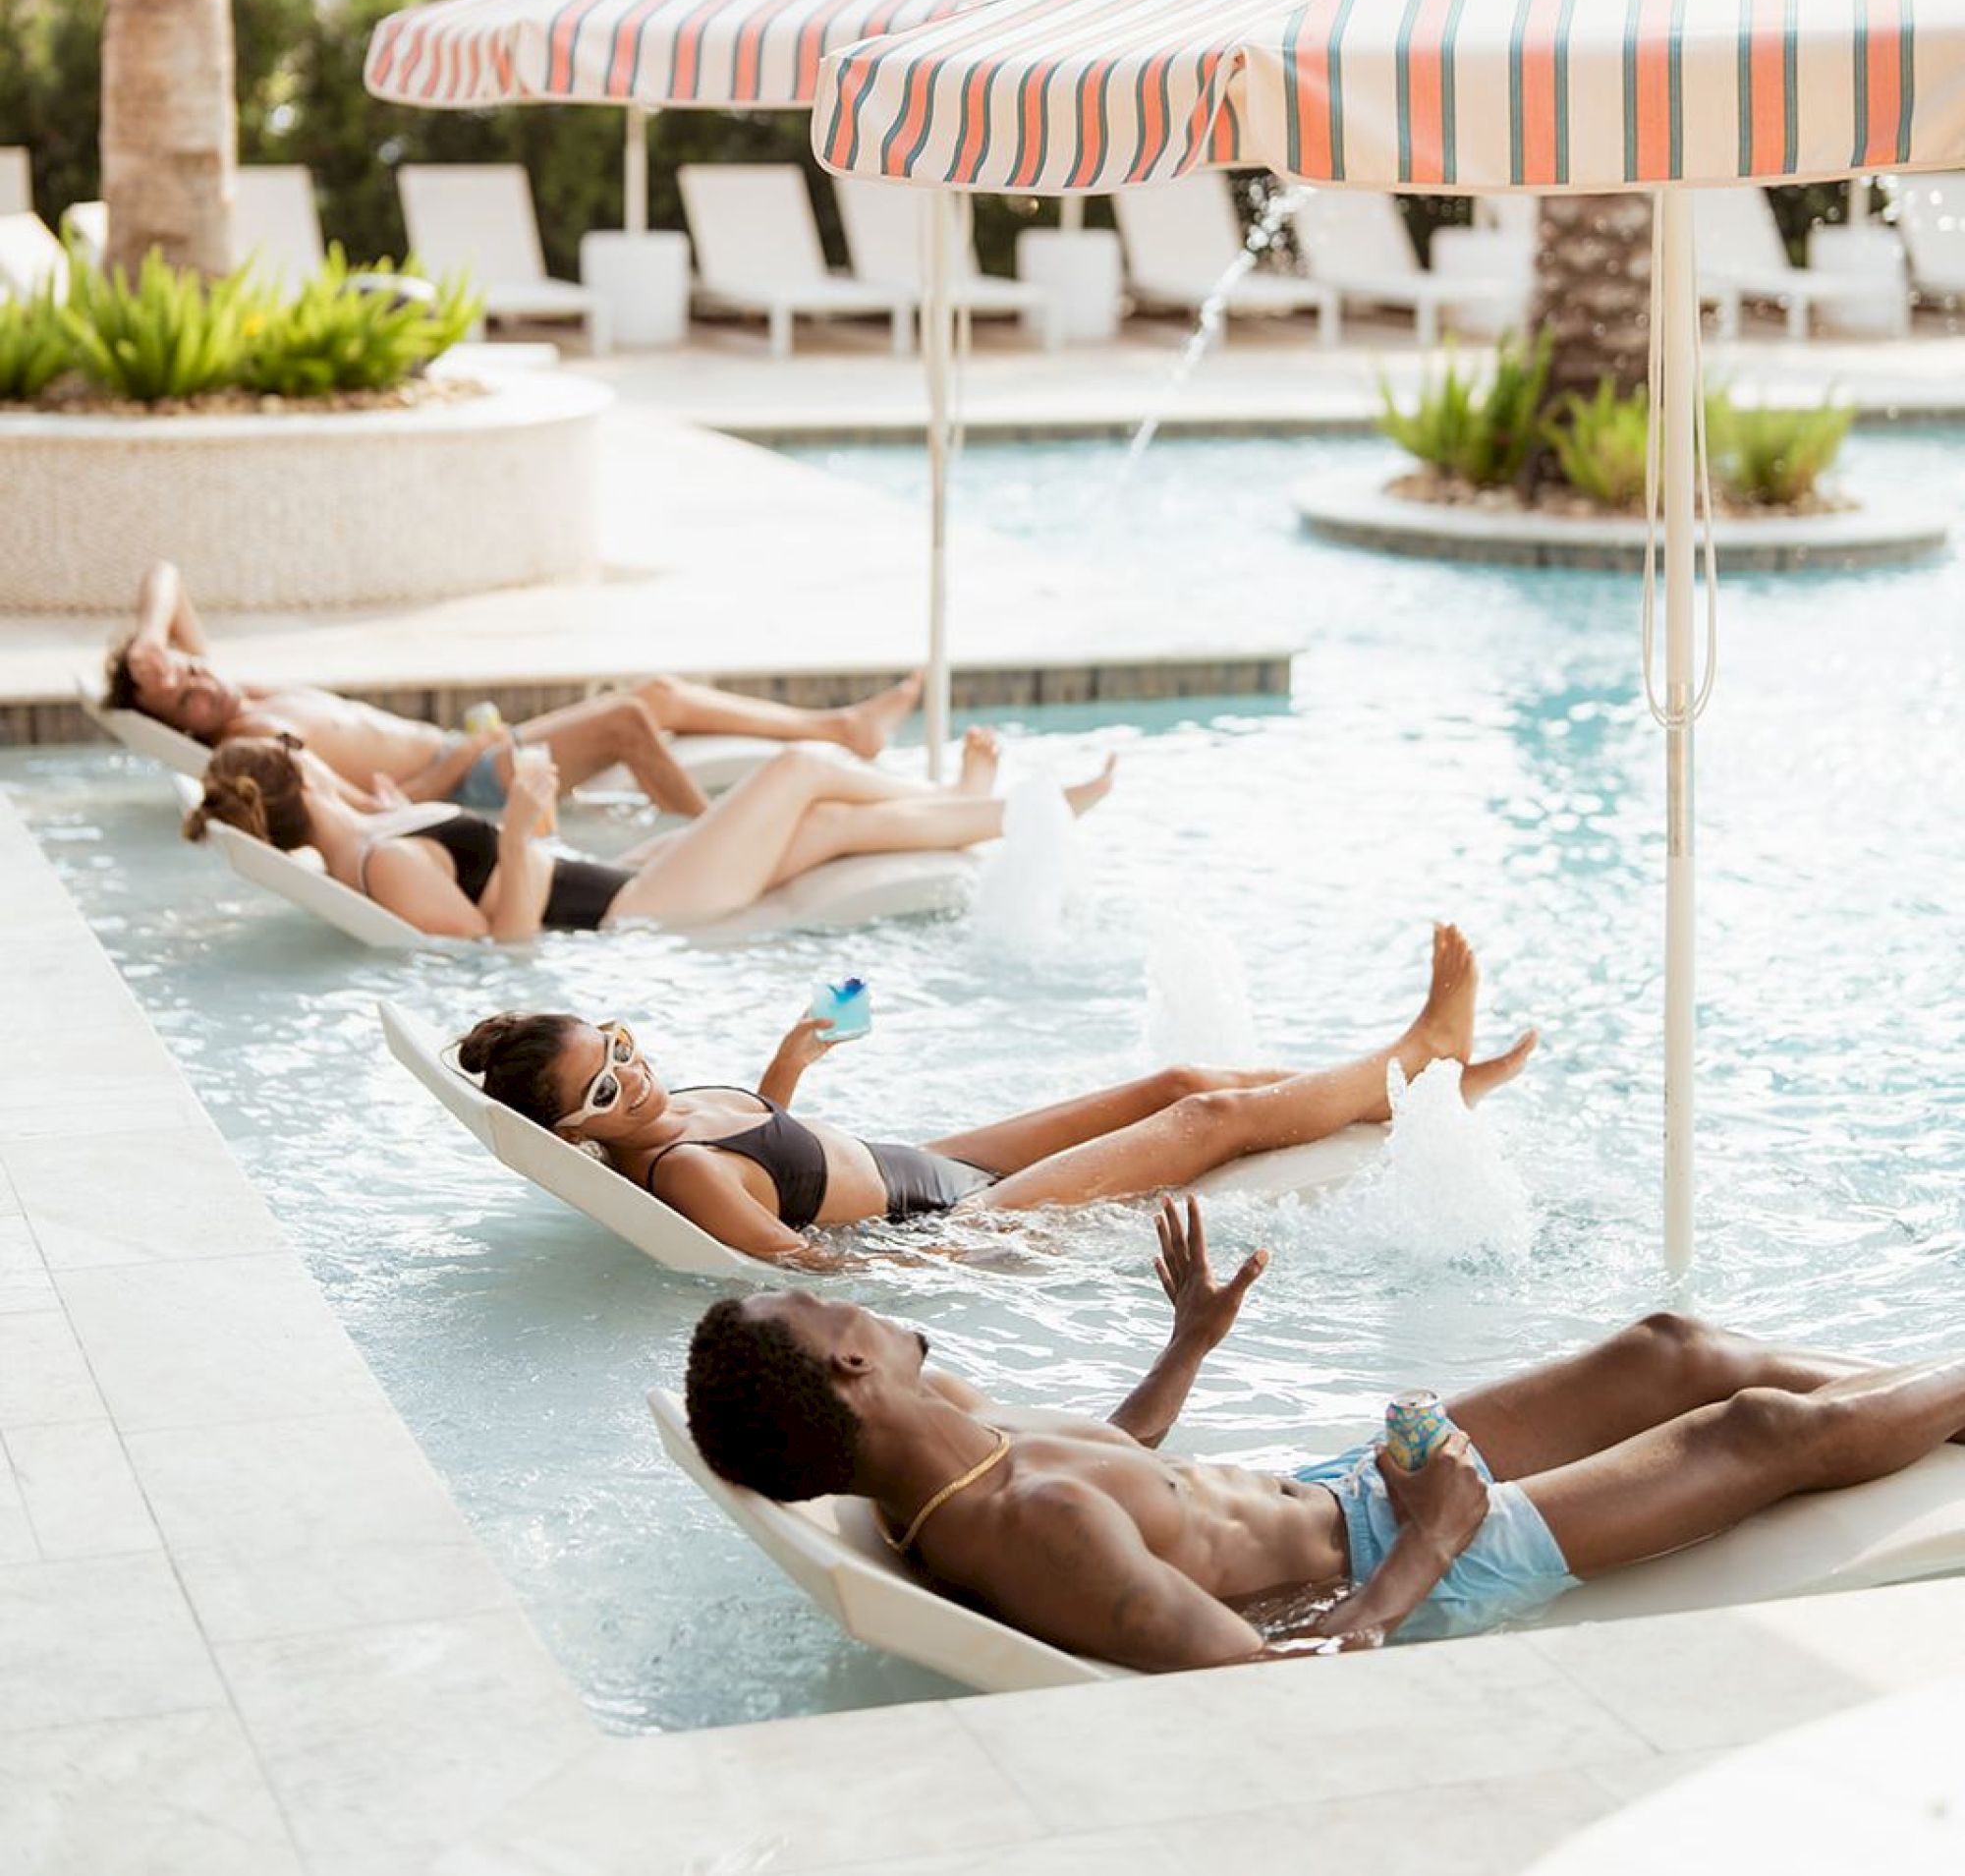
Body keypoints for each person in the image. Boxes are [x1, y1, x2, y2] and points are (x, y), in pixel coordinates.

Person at [684, 1204, 1965, 1665]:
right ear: (849, 1362)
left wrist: (1185, 1342)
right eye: (829, 1299)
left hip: (1340, 1492)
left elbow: (1124, 1467)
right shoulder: (1030, 1530)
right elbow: (1266, 1680)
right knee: (1752, 1427)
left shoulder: (954, 1440)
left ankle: (1937, 1395)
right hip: (1406, 1563)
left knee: (1670, 1346)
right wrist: (1435, 1536)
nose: (857, 1290)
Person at [460, 925, 1537, 1260]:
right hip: (943, 1211)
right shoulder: (682, 1169)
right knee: (1199, 1121)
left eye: (620, 1042)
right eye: (605, 1087)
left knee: (1178, 1075)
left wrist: (791, 1061)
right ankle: (1425, 1053)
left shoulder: (677, 1112)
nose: (632, 1073)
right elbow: (804, 1262)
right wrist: (982, 1252)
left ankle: (1405, 1084)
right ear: (576, 1130)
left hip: (922, 1155)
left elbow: (766, 1135)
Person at [107, 559, 924, 818]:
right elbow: (367, 806)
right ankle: (719, 840)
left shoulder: (236, 689)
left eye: (188, 669)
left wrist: (147, 641)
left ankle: (841, 729)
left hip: (474, 750)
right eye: (181, 698)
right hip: (471, 779)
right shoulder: (252, 743)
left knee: (663, 691)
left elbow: (166, 577)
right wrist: (455, 760)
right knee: (634, 718)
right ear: (183, 725)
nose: (196, 683)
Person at [184, 727, 1114, 939]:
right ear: (301, 771)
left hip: (613, 871)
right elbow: (501, 943)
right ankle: (1021, 805)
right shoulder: (380, 863)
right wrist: (513, 830)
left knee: (826, 821)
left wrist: (506, 812)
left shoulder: (374, 824)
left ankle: (975, 800)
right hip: (631, 908)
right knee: (800, 768)